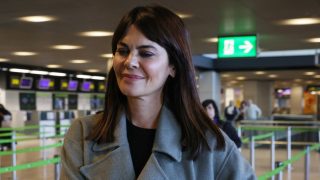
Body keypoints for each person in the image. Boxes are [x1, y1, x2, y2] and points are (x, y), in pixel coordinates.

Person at [61, 5, 256, 179]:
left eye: (146, 53)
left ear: (173, 66)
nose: (130, 61)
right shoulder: (83, 135)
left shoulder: (210, 145)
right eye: (122, 51)